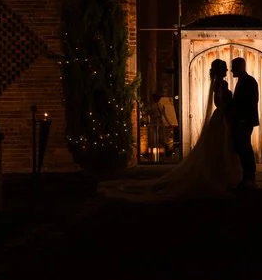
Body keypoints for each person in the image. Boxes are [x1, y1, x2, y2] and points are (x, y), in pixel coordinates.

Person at [98, 59, 242, 202]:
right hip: (221, 117)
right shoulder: (220, 84)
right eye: (224, 68)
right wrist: (226, 104)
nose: (227, 70)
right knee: (219, 147)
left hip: (223, 117)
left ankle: (219, 175)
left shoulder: (220, 83)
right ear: (219, 70)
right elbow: (218, 102)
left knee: (221, 147)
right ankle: (218, 177)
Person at [230, 56, 259, 191]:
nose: (231, 70)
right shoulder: (243, 80)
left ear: (240, 67)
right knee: (242, 147)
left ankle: (249, 176)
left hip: (245, 120)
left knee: (245, 147)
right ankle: (246, 176)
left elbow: (251, 102)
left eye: (233, 67)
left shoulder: (249, 81)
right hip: (241, 120)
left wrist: (242, 119)